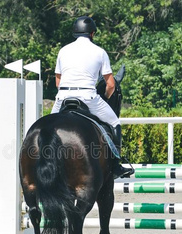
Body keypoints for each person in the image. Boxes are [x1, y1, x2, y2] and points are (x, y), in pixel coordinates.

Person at [51, 16, 134, 179]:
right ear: (92, 33)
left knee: (47, 124)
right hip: (88, 96)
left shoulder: (63, 51)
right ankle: (116, 165)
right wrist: (104, 97)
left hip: (63, 96)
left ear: (75, 32)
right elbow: (110, 84)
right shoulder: (99, 52)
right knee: (114, 123)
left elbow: (57, 82)